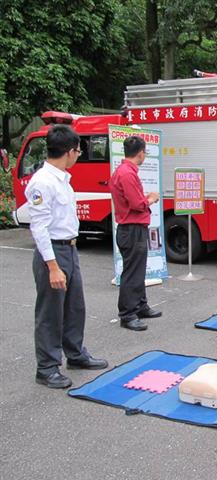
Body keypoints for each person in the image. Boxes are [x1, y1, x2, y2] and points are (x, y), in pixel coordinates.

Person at [26, 124, 108, 388]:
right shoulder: (42, 182)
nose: (79, 155)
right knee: (51, 312)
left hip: (69, 248)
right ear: (70, 151)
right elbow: (38, 227)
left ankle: (75, 354)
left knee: (75, 306)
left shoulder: (62, 179)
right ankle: (47, 367)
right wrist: (52, 266)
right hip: (52, 252)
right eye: (79, 151)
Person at [109, 135, 162, 332]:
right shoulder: (127, 174)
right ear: (141, 153)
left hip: (132, 228)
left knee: (138, 269)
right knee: (132, 272)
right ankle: (128, 314)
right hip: (131, 228)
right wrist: (152, 198)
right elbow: (137, 204)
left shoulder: (125, 171)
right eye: (145, 151)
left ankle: (140, 306)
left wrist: (144, 198)